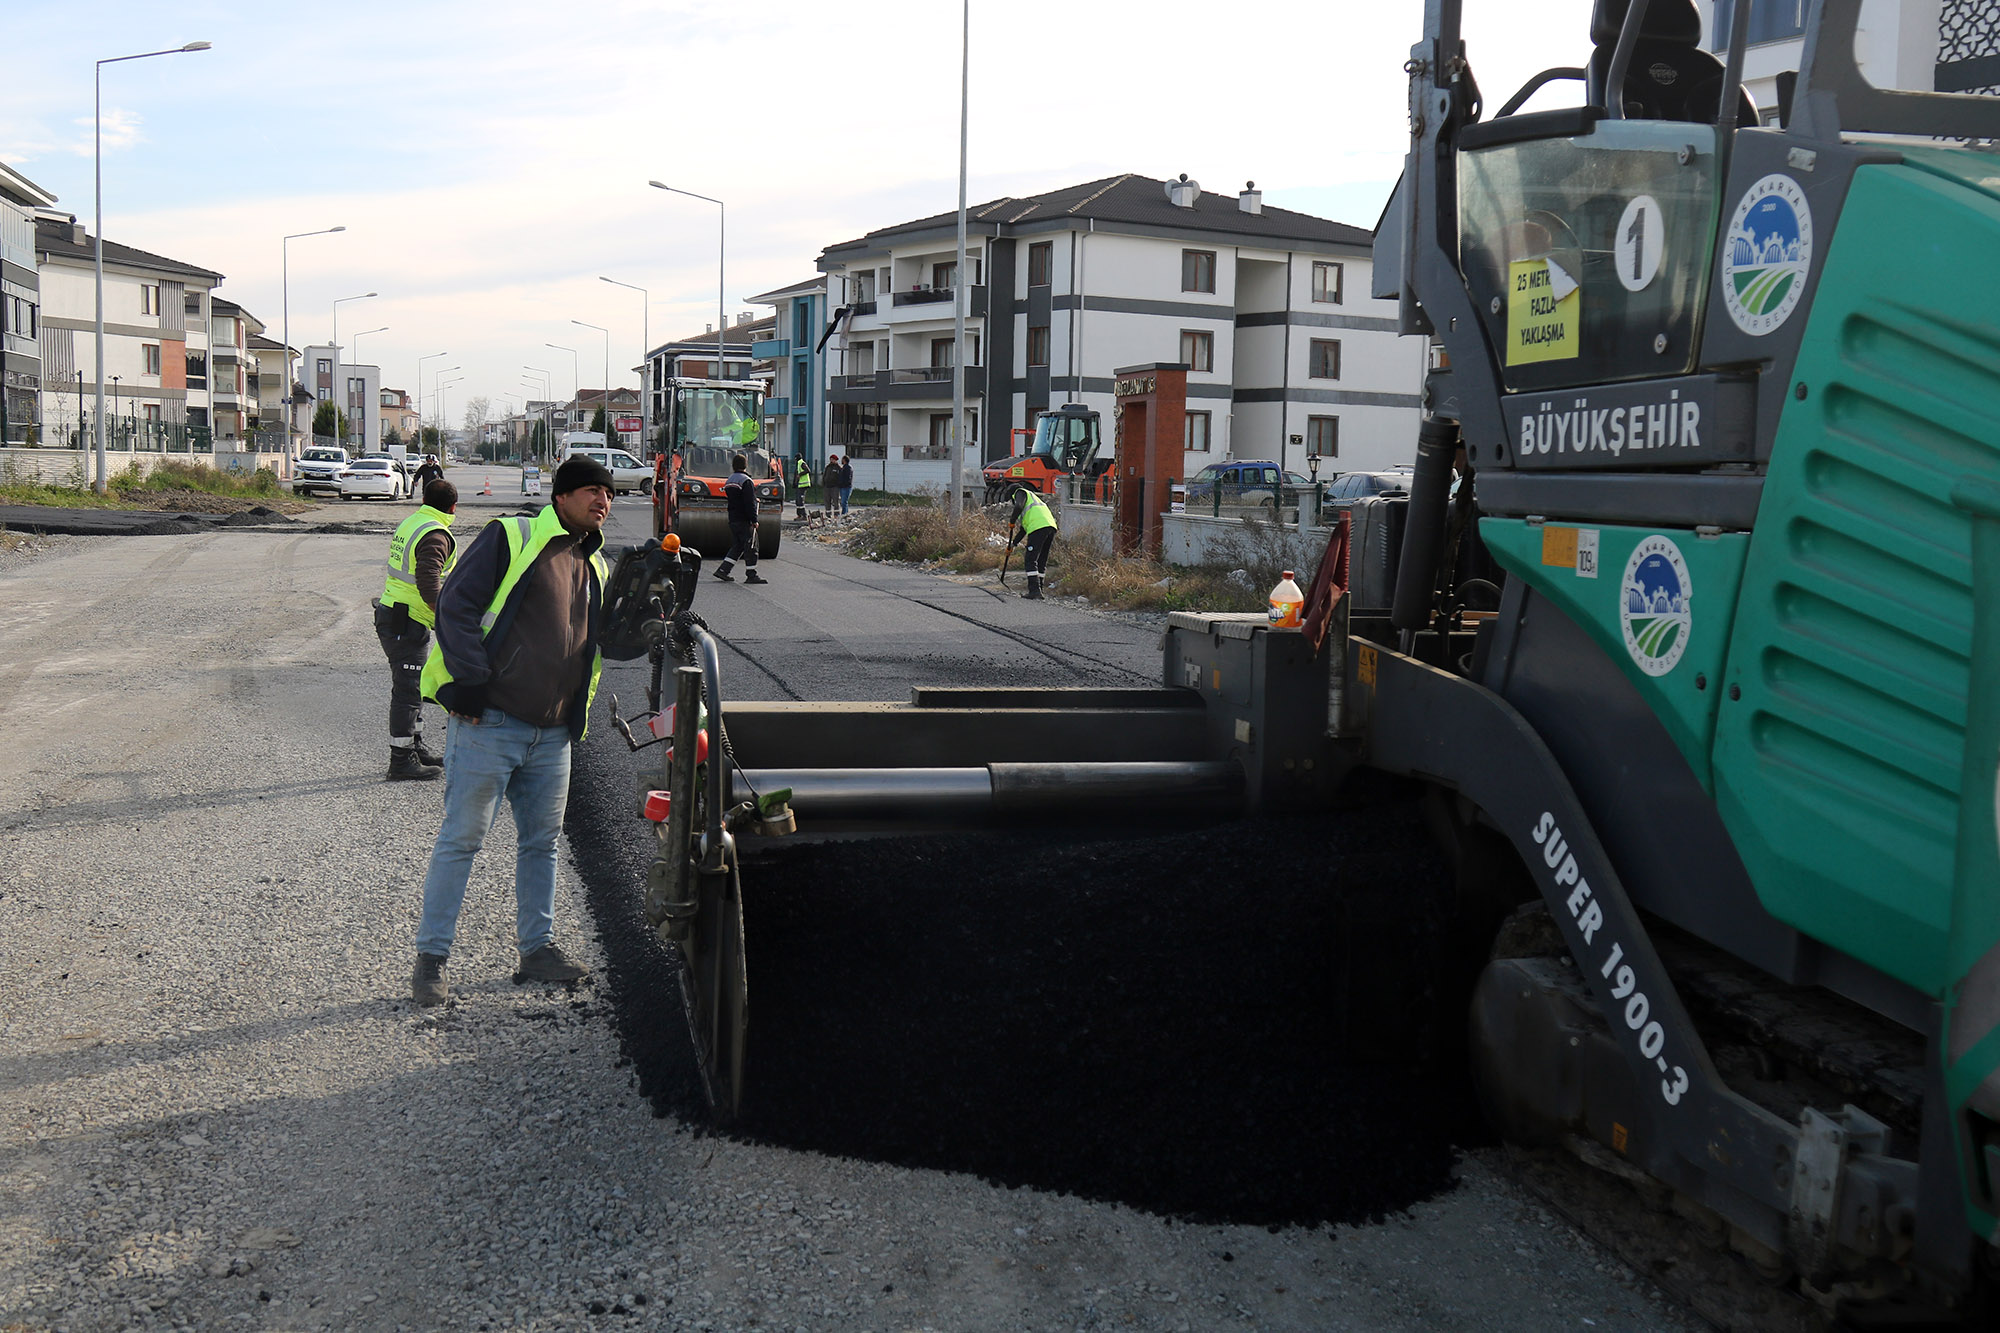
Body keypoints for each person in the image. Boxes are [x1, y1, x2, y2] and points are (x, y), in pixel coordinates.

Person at [408, 455, 615, 1006]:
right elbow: (454, 605)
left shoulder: (596, 565)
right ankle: (431, 961)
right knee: (461, 840)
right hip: (490, 722)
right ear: (563, 496)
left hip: (552, 734)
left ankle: (537, 949)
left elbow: (602, 645)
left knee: (542, 843)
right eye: (593, 491)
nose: (603, 501)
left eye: (609, 494)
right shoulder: (513, 535)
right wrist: (472, 682)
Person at [375, 479, 459, 779]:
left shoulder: (414, 521)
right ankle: (401, 761)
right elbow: (427, 581)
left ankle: (416, 747)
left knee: (417, 687)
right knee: (408, 691)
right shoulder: (435, 533)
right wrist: (446, 618)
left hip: (400, 615)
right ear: (452, 506)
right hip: (405, 620)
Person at [711, 452, 767, 585]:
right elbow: (749, 503)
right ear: (746, 465)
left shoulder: (730, 480)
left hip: (733, 518)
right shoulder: (746, 481)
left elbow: (736, 499)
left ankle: (723, 570)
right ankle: (751, 575)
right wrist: (754, 520)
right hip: (744, 520)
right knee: (752, 546)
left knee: (738, 546)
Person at [1008, 486, 1059, 600]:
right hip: (1050, 526)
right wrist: (1014, 543)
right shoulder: (1034, 502)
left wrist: (1012, 520)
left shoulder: (1020, 492)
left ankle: (1034, 590)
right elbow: (1023, 530)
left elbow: (1018, 506)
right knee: (1041, 560)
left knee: (1030, 559)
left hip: (1038, 528)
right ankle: (1039, 589)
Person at [793, 454, 811, 519]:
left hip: (803, 485)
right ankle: (799, 515)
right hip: (799, 485)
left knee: (800, 500)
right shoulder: (798, 464)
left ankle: (804, 515)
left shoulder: (802, 463)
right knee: (798, 501)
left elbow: (808, 470)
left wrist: (800, 474)